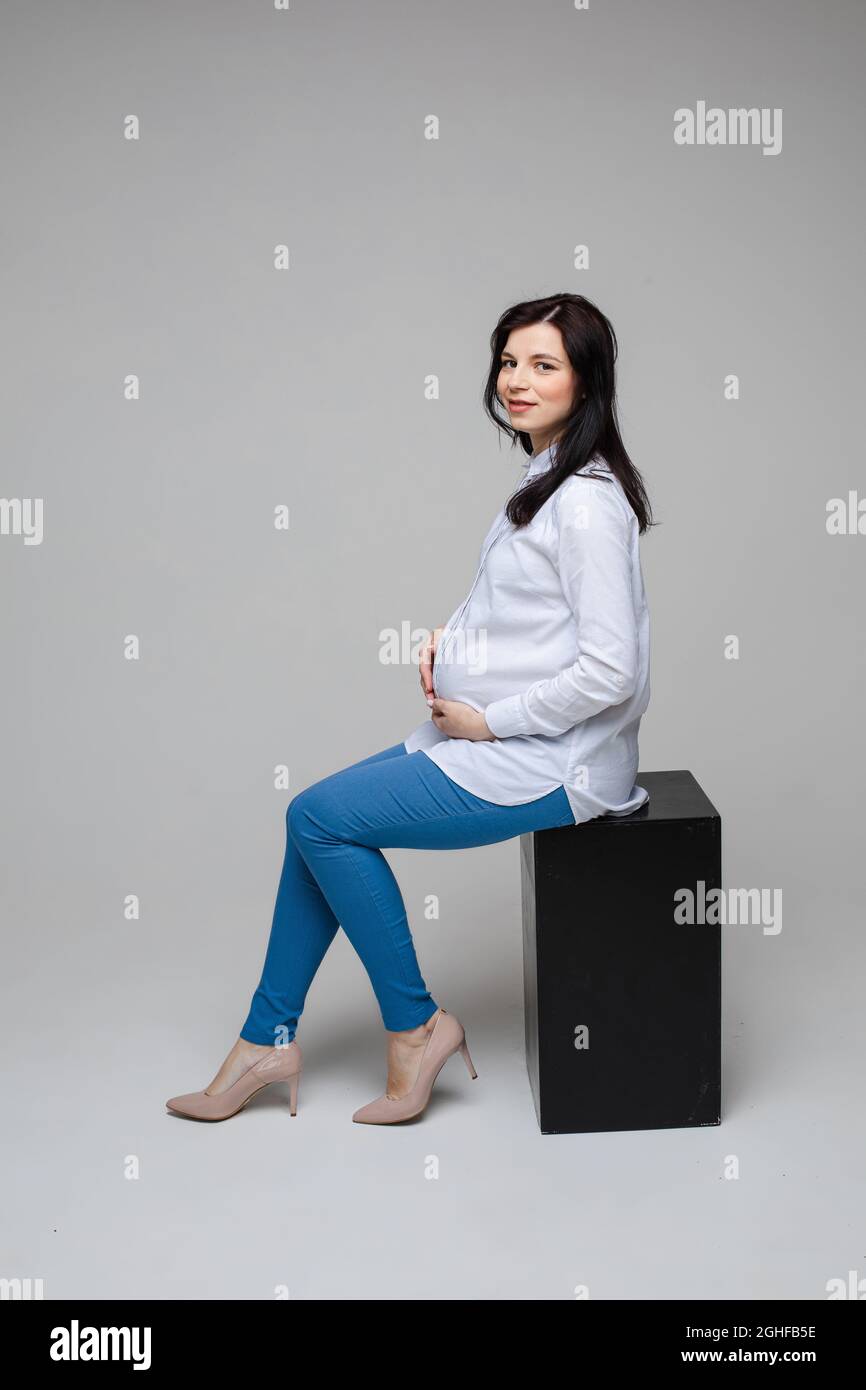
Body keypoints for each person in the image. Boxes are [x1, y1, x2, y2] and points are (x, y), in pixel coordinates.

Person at [166, 291, 655, 1126]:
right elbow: (533, 615)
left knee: (320, 818)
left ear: (588, 381)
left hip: (550, 764)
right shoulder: (547, 477)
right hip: (491, 741)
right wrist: (452, 640)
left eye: (544, 365)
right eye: (509, 361)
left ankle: (415, 1028)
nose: (518, 381)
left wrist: (487, 720)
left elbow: (613, 668)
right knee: (313, 822)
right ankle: (265, 1041)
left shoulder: (585, 501)